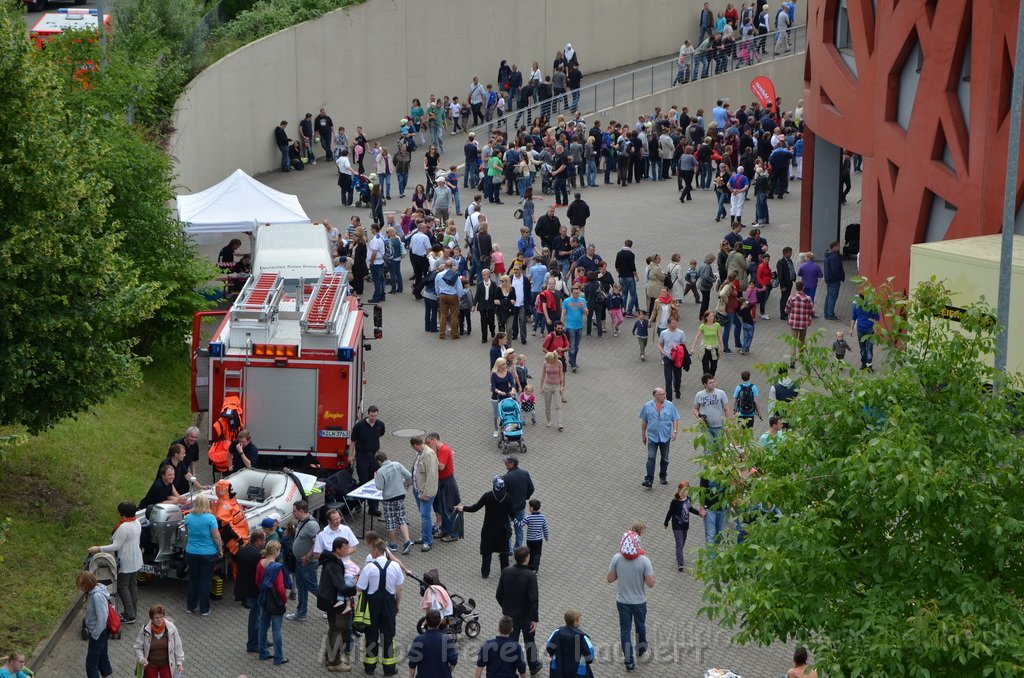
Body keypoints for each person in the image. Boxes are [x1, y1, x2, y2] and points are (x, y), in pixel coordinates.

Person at [606, 529, 655, 672]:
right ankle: (641, 648)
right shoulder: (644, 561)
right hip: (639, 602)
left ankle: (629, 661)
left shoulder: (617, 558)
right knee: (640, 626)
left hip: (622, 602)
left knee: (625, 630)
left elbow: (610, 579)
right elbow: (650, 583)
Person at [88, 501, 142, 624]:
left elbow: (116, 546)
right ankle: (133, 611)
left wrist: (98, 549)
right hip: (136, 559)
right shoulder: (137, 522)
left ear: (122, 513)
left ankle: (129, 614)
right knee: (133, 585)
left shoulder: (124, 527)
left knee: (123, 587)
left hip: (126, 560)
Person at [358, 539, 406, 676]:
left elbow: (360, 589)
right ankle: (389, 669)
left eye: (371, 550)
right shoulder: (395, 566)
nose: (370, 552)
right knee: (389, 637)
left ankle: (369, 668)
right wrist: (397, 606)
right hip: (389, 605)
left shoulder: (369, 568)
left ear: (376, 551)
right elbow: (399, 589)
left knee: (371, 636)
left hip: (372, 606)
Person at [495, 546, 542, 675]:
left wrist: (506, 607)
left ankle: (510, 667)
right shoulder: (530, 575)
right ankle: (533, 666)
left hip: (510, 615)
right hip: (526, 616)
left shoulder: (506, 571)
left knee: (511, 643)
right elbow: (533, 599)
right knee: (529, 641)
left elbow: (499, 594)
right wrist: (534, 618)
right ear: (527, 559)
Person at [456, 476, 515, 578]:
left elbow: (475, 508)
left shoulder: (488, 496)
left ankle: (485, 573)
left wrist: (463, 508)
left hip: (489, 528)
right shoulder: (508, 497)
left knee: (487, 551)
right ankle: (505, 573)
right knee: (504, 551)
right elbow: (512, 514)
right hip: (503, 529)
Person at [319, 536, 357, 673]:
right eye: (345, 548)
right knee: (341, 631)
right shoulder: (333, 564)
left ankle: (330, 656)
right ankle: (334, 661)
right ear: (337, 549)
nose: (348, 550)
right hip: (336, 603)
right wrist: (355, 588)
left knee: (334, 629)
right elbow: (341, 586)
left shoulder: (332, 561)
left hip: (329, 601)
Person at [183, 493, 222, 616]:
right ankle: (204, 609)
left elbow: (188, 533)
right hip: (208, 553)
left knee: (193, 579)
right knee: (205, 581)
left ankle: (190, 606)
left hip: (191, 552)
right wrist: (220, 549)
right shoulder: (210, 518)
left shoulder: (188, 517)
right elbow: (216, 536)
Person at [257, 540, 292, 665]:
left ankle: (263, 653)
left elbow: (257, 581)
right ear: (276, 551)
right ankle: (278, 657)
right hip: (275, 602)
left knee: (263, 627)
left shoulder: (260, 563)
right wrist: (284, 600)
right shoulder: (276, 568)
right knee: (276, 630)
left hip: (264, 600)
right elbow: (280, 588)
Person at [286, 499, 321, 622]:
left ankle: (331, 606)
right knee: (301, 587)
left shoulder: (311, 525)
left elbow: (317, 544)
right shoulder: (301, 521)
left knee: (313, 587)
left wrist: (307, 557)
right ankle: (301, 613)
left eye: (294, 511)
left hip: (307, 563)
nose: (293, 513)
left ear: (301, 511)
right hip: (300, 562)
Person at [374, 451, 415, 554]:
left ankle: (393, 544)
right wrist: (403, 484)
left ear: (379, 461)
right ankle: (407, 540)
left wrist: (376, 477)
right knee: (401, 518)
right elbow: (409, 476)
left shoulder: (380, 471)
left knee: (391, 520)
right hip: (400, 495)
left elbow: (379, 487)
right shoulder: (397, 464)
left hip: (389, 498)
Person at [639, 388, 680, 489]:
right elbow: (644, 421)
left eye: (664, 393)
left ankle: (663, 476)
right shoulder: (647, 406)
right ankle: (649, 480)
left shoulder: (670, 405)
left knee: (665, 458)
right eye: (661, 394)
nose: (664, 395)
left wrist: (674, 431)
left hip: (665, 437)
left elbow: (675, 419)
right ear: (655, 396)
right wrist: (643, 434)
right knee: (651, 458)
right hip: (653, 437)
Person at [234, 527, 265, 654]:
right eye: (263, 540)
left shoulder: (243, 550)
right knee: (255, 617)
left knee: (256, 616)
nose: (264, 543)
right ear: (258, 541)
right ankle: (253, 644)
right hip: (254, 589)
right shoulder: (257, 555)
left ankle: (259, 639)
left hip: (245, 587)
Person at [132, 604, 185, 678]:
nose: (159, 620)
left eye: (161, 617)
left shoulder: (171, 629)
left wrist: (179, 663)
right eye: (156, 617)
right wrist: (141, 658)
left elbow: (178, 646)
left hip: (166, 664)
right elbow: (137, 647)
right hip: (150, 664)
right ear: (151, 618)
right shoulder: (145, 630)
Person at [427, 433, 462, 543]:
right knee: (442, 508)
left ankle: (453, 534)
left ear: (433, 440)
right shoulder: (441, 450)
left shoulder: (443, 450)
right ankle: (445, 529)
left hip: (447, 483)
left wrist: (431, 458)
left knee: (448, 509)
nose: (428, 445)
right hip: (441, 482)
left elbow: (441, 467)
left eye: (428, 442)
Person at [351, 406, 386, 514]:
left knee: (375, 482)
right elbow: (353, 441)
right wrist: (351, 456)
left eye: (375, 415)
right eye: (371, 415)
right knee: (363, 482)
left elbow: (380, 435)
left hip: (374, 457)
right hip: (362, 456)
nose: (373, 418)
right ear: (368, 414)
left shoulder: (380, 425)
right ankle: (356, 503)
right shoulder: (359, 426)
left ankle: (373, 508)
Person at [663, 482, 704, 571]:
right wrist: (666, 522)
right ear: (679, 490)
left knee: (682, 543)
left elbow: (690, 509)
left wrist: (699, 513)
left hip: (685, 525)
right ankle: (680, 564)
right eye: (683, 491)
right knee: (679, 544)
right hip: (676, 526)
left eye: (687, 491)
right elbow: (670, 512)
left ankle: (679, 554)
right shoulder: (675, 502)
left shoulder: (688, 499)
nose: (685, 493)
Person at [79, 571, 112, 678]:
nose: (79, 587)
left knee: (91, 664)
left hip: (98, 633)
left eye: (81, 585)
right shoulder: (94, 592)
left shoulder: (97, 596)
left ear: (87, 584)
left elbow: (102, 618)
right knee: (102, 657)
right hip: (100, 633)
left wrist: (95, 634)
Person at [407, 609, 458, 678]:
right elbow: (454, 660)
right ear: (440, 622)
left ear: (426, 622)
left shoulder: (419, 640)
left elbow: (412, 664)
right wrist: (449, 672)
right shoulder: (447, 639)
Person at [545, 609, 595, 678]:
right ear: (575, 622)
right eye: (580, 619)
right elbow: (589, 658)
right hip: (577, 672)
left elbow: (549, 647)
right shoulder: (582, 638)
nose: (581, 621)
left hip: (558, 669)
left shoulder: (557, 632)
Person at [410, 436, 438, 553]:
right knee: (423, 514)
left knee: (425, 516)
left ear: (415, 445)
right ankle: (424, 536)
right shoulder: (420, 453)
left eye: (412, 447)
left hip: (425, 492)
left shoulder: (429, 455)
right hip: (418, 489)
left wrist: (426, 493)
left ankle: (427, 541)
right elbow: (415, 470)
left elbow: (431, 476)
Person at [502, 455, 535, 550]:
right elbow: (531, 488)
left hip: (508, 509)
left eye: (506, 463)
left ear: (512, 463)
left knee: (507, 529)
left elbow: (503, 494)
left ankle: (508, 549)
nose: (505, 464)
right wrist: (525, 497)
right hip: (520, 507)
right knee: (519, 528)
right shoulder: (525, 473)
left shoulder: (506, 477)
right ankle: (518, 547)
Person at [785, 281, 816, 368]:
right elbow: (812, 311)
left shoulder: (792, 297)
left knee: (793, 343)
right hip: (803, 323)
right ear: (803, 288)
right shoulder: (808, 298)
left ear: (796, 288)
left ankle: (792, 362)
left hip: (794, 323)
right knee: (802, 341)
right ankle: (801, 358)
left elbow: (786, 309)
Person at [658, 316, 688, 402]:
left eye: (676, 323)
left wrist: (678, 348)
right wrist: (662, 352)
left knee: (677, 378)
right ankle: (669, 399)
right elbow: (659, 344)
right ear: (668, 324)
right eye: (673, 323)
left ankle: (677, 390)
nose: (675, 324)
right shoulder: (663, 333)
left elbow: (684, 345)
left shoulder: (681, 333)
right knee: (668, 379)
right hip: (667, 357)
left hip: (677, 358)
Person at [693, 374, 731, 440]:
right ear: (705, 384)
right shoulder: (699, 395)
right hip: (705, 427)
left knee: (719, 448)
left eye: (714, 382)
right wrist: (698, 416)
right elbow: (695, 409)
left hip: (719, 426)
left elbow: (726, 409)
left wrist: (728, 424)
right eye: (710, 383)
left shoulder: (721, 393)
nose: (713, 384)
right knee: (708, 449)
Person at [561, 285, 587, 372]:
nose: (577, 295)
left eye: (578, 293)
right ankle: (573, 364)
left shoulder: (582, 300)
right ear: (571, 293)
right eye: (575, 293)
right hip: (570, 327)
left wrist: (583, 307)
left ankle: (572, 360)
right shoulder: (566, 301)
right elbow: (563, 313)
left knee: (576, 346)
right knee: (572, 346)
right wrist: (562, 324)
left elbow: (587, 313)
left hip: (579, 326)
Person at [850, 292, 880, 370]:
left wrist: (851, 329)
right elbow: (854, 317)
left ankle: (866, 365)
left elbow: (877, 317)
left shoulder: (868, 306)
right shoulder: (857, 306)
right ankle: (866, 364)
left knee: (866, 348)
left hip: (866, 329)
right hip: (863, 329)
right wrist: (851, 329)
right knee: (866, 348)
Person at [491, 358, 518, 438]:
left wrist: (513, 390)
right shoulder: (494, 374)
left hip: (506, 395)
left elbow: (512, 384)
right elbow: (493, 386)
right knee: (496, 415)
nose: (505, 365)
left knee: (507, 412)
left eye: (505, 363)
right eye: (503, 364)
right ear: (499, 366)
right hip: (496, 397)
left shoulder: (508, 373)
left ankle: (507, 426)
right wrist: (498, 391)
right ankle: (496, 430)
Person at [539, 352, 565, 431]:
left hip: (557, 386)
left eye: (548, 360)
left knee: (558, 405)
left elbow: (561, 375)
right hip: (547, 385)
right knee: (547, 405)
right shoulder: (545, 363)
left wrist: (562, 386)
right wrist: (541, 387)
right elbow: (543, 375)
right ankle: (549, 420)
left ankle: (560, 423)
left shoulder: (559, 363)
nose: (546, 361)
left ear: (552, 359)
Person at [694, 310, 724, 376]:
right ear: (706, 317)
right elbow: (697, 337)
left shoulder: (717, 325)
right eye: (710, 316)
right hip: (705, 348)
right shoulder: (702, 326)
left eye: (713, 316)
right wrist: (693, 348)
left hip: (714, 348)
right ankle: (707, 381)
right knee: (706, 367)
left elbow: (719, 337)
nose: (712, 318)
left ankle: (710, 378)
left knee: (714, 367)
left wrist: (722, 347)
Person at [823, 240, 845, 320]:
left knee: (829, 296)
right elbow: (835, 270)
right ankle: (830, 315)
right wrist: (841, 277)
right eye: (838, 246)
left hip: (829, 279)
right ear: (834, 247)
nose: (839, 247)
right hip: (834, 280)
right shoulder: (834, 257)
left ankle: (826, 313)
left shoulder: (828, 255)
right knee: (832, 297)